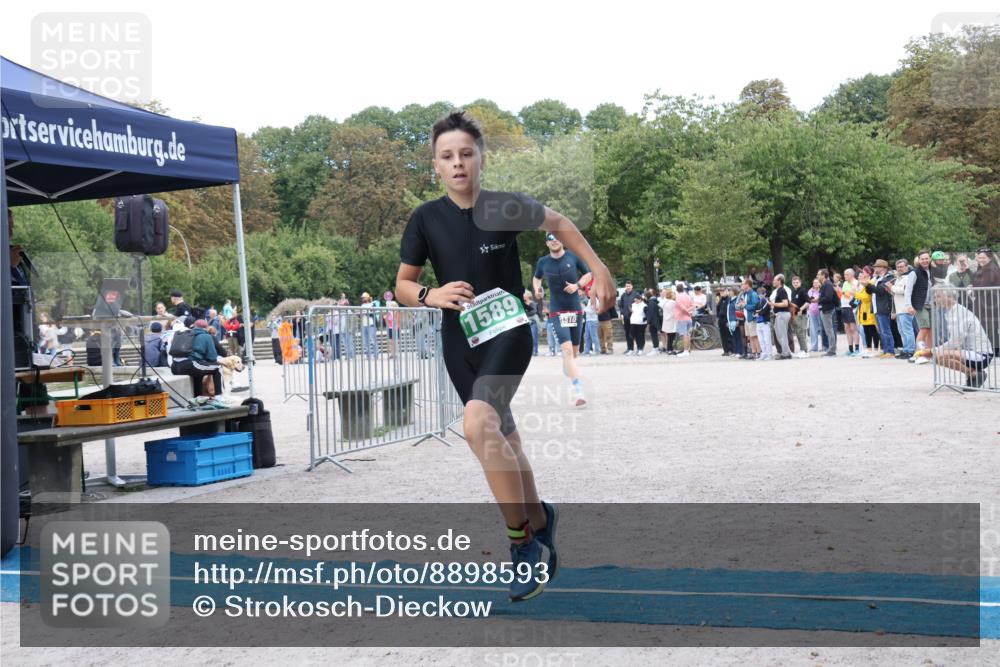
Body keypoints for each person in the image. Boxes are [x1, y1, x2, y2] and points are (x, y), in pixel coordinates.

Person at [394, 110, 614, 602]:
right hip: (459, 343)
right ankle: (539, 515)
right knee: (504, 440)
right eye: (447, 157)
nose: (458, 164)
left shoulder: (504, 207)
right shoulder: (425, 218)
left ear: (481, 159)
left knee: (476, 426)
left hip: (508, 333)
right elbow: (402, 285)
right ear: (435, 165)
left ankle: (523, 543)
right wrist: (430, 294)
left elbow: (562, 223)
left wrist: (599, 269)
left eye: (466, 154)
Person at [534, 232, 593, 401]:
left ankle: (568, 364)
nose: (554, 241)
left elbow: (588, 274)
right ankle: (578, 391)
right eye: (550, 239)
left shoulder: (573, 257)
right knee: (566, 350)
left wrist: (578, 285)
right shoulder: (543, 262)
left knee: (574, 352)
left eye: (557, 237)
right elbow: (536, 278)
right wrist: (538, 290)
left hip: (575, 309)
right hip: (556, 310)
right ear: (547, 243)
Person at [931, 289, 994, 389]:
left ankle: (974, 375)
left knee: (938, 354)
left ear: (949, 297)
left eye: (938, 296)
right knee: (937, 357)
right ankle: (973, 374)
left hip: (982, 355)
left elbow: (955, 342)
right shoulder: (952, 312)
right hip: (971, 353)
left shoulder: (960, 313)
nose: (935, 300)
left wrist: (934, 350)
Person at [904, 250, 934, 364]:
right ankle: (919, 354)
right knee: (924, 328)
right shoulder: (914, 273)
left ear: (930, 259)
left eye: (927, 258)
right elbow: (908, 290)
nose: (925, 261)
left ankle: (929, 354)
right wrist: (908, 305)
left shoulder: (934, 271)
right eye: (923, 259)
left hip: (933, 304)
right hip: (920, 305)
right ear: (919, 260)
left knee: (932, 331)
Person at [972, 247, 1000, 352]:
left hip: (989, 302)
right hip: (986, 301)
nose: (981, 260)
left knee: (988, 327)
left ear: (989, 258)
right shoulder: (985, 268)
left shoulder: (990, 269)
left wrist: (973, 289)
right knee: (990, 326)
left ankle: (992, 349)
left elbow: (984, 286)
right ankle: (993, 349)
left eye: (983, 258)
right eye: (979, 258)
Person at [867, 259, 896, 358]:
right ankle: (885, 350)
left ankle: (890, 351)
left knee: (886, 330)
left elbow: (880, 290)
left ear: (882, 268)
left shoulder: (889, 277)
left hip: (884, 307)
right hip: (876, 307)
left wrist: (867, 284)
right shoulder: (877, 278)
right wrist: (868, 285)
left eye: (876, 267)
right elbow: (869, 291)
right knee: (881, 330)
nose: (875, 268)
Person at [891, 259, 916, 360]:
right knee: (901, 331)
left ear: (906, 267)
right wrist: (892, 289)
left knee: (907, 330)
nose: (899, 269)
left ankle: (910, 350)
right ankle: (905, 349)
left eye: (901, 266)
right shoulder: (898, 278)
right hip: (899, 309)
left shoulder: (908, 277)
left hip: (906, 308)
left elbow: (904, 290)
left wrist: (892, 287)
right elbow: (896, 292)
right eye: (898, 267)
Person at [768, 274, 793, 359]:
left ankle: (786, 353)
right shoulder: (778, 290)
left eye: (775, 280)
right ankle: (786, 352)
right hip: (779, 314)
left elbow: (785, 303)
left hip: (782, 314)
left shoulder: (782, 290)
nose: (773, 282)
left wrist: (773, 304)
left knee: (782, 335)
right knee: (779, 335)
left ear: (779, 281)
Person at [838, 268, 861, 356]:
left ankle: (857, 349)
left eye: (846, 275)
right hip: (844, 306)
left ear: (851, 275)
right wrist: (840, 292)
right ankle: (850, 349)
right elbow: (843, 295)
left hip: (851, 307)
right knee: (847, 328)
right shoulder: (845, 283)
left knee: (853, 328)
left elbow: (853, 294)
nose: (844, 276)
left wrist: (843, 292)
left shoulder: (856, 282)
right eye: (844, 274)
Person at [817, 269, 839, 356]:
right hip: (825, 309)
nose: (817, 276)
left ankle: (832, 350)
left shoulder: (828, 285)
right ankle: (831, 349)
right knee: (828, 330)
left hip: (828, 310)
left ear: (823, 275)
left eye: (818, 275)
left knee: (829, 330)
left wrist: (818, 299)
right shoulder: (824, 285)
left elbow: (828, 298)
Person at [790, 276, 810, 358]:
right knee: (798, 333)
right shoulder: (793, 292)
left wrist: (801, 309)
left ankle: (805, 351)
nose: (795, 284)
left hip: (802, 315)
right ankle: (802, 350)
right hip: (795, 315)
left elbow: (808, 301)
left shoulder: (803, 290)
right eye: (794, 283)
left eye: (797, 282)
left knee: (801, 332)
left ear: (800, 283)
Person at [618, 280, 641, 354]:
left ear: (632, 286)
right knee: (627, 333)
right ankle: (630, 348)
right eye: (627, 286)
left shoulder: (635, 294)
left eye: (629, 286)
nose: (628, 287)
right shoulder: (623, 295)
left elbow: (640, 304)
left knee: (636, 333)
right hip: (626, 318)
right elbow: (620, 305)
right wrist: (622, 312)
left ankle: (639, 348)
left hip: (634, 318)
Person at [673, 283, 695, 357]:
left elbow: (682, 308)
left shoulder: (678, 297)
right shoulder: (688, 296)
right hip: (688, 318)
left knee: (684, 335)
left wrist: (687, 312)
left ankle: (685, 351)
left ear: (677, 289)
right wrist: (689, 312)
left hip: (682, 318)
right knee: (688, 334)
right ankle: (687, 350)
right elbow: (693, 305)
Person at [754, 287, 774, 360]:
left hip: (765, 322)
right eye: (758, 294)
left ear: (765, 294)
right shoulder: (757, 302)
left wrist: (757, 313)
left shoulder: (766, 301)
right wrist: (756, 313)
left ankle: (769, 354)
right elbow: (755, 311)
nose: (760, 295)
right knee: (761, 340)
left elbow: (764, 311)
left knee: (767, 339)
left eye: (761, 294)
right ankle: (764, 353)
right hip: (758, 323)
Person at [716, 287, 734, 356]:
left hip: (726, 320)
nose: (722, 293)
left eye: (723, 291)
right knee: (723, 336)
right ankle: (726, 350)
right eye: (720, 291)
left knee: (729, 336)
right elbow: (718, 309)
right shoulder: (721, 300)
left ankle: (731, 350)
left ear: (727, 291)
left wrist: (728, 320)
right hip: (721, 320)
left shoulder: (729, 299)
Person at [659, 287, 678, 355]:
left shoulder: (665, 302)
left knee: (669, 336)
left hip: (666, 320)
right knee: (671, 336)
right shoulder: (673, 302)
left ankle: (670, 348)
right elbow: (676, 311)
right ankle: (670, 349)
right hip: (671, 321)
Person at [523, 291, 541, 357]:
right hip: (526, 322)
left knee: (534, 337)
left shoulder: (533, 303)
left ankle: (535, 351)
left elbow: (533, 312)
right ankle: (529, 352)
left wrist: (526, 312)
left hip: (533, 322)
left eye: (524, 294)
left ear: (527, 295)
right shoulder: (523, 303)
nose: (523, 295)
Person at [644, 288, 661, 355]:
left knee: (654, 335)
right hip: (655, 321)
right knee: (655, 335)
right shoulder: (654, 301)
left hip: (653, 322)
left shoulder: (650, 302)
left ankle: (655, 349)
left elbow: (650, 313)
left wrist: (648, 322)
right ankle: (656, 349)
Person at [384, 291, 399, 358]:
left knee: (394, 340)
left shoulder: (395, 311)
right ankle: (392, 353)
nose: (389, 306)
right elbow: (386, 319)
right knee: (390, 341)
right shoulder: (388, 312)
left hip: (395, 327)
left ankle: (395, 353)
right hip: (390, 327)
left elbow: (397, 317)